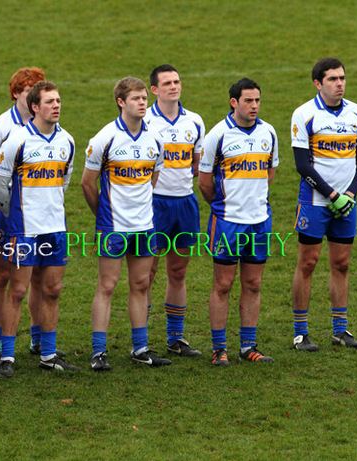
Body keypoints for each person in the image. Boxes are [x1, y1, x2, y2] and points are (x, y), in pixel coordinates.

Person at [82, 77, 170, 371]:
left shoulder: (155, 139)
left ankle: (141, 348)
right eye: (136, 98)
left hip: (144, 225)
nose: (142, 102)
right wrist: (103, 215)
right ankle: (98, 352)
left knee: (141, 285)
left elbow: (152, 179)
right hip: (113, 227)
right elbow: (87, 183)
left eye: (144, 98)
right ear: (121, 102)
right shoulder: (105, 138)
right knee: (107, 285)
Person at [0, 80, 76, 376]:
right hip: (24, 229)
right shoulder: (17, 141)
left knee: (52, 289)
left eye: (58, 101)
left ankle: (49, 354)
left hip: (55, 228)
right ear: (35, 107)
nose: (56, 106)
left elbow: (64, 181)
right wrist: (12, 219)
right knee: (17, 291)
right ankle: (7, 357)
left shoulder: (67, 141)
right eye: (50, 102)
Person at [290, 58, 357, 351]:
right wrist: (332, 195)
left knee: (342, 263)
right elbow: (302, 165)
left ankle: (340, 330)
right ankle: (300, 332)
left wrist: (349, 194)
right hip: (314, 201)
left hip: (346, 203)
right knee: (308, 262)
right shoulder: (305, 114)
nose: (340, 84)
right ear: (317, 83)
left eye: (342, 78)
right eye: (333, 79)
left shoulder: (356, 113)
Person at [199, 78, 279, 366]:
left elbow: (270, 173)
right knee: (223, 283)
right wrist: (223, 207)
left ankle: (248, 346)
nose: (254, 105)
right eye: (248, 100)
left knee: (254, 283)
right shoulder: (217, 135)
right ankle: (219, 348)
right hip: (228, 222)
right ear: (234, 102)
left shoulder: (268, 132)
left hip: (259, 221)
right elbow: (205, 183)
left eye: (257, 100)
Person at [0, 67, 48, 359]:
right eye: (28, 91)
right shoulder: (0, 129)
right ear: (16, 94)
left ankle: (37, 338)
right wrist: (8, 207)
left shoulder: (45, 123)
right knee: (2, 276)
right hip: (10, 213)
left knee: (38, 276)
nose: (35, 95)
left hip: (42, 214)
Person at [144, 65, 205, 357]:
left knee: (178, 271)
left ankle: (175, 338)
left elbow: (196, 164)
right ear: (154, 89)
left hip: (185, 202)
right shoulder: (144, 120)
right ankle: (140, 340)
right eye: (167, 83)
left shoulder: (194, 121)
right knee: (147, 272)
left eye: (177, 81)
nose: (173, 86)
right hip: (154, 203)